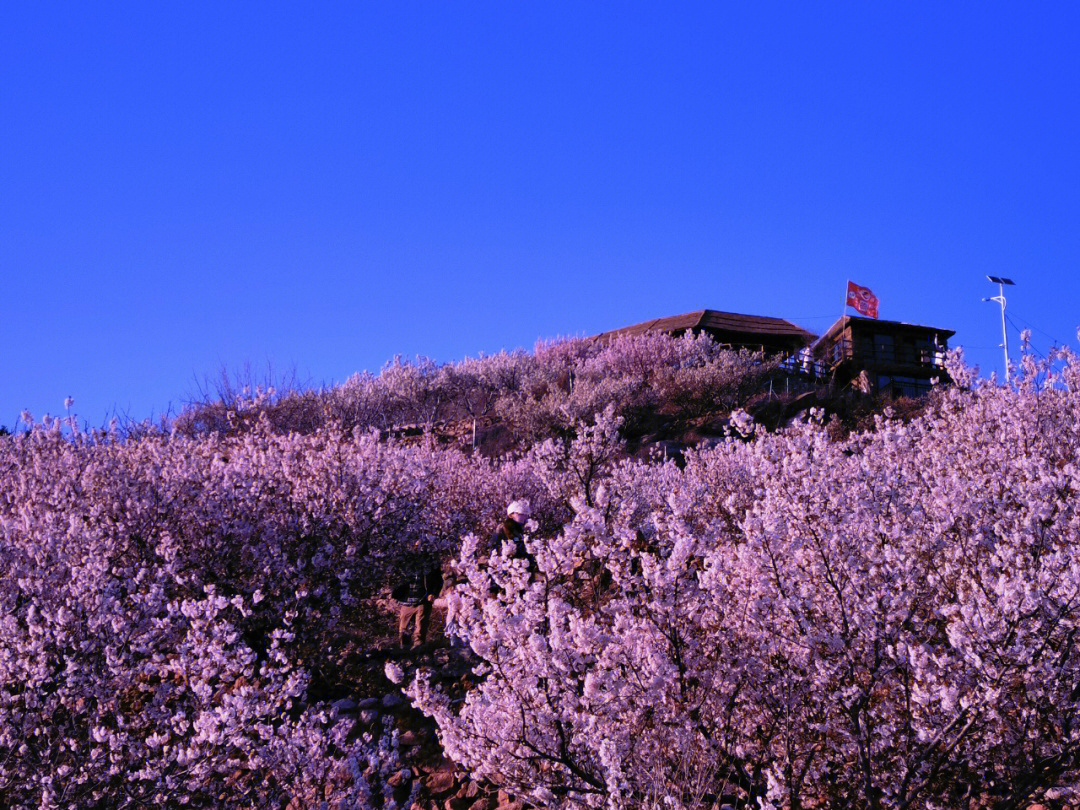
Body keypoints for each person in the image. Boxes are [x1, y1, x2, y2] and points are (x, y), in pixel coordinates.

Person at [391, 553, 443, 648]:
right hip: (406, 600)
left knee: (420, 625)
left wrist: (433, 593)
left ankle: (419, 647)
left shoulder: (431, 564)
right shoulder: (405, 563)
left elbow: (438, 581)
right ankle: (404, 648)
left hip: (423, 598)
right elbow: (396, 579)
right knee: (403, 627)